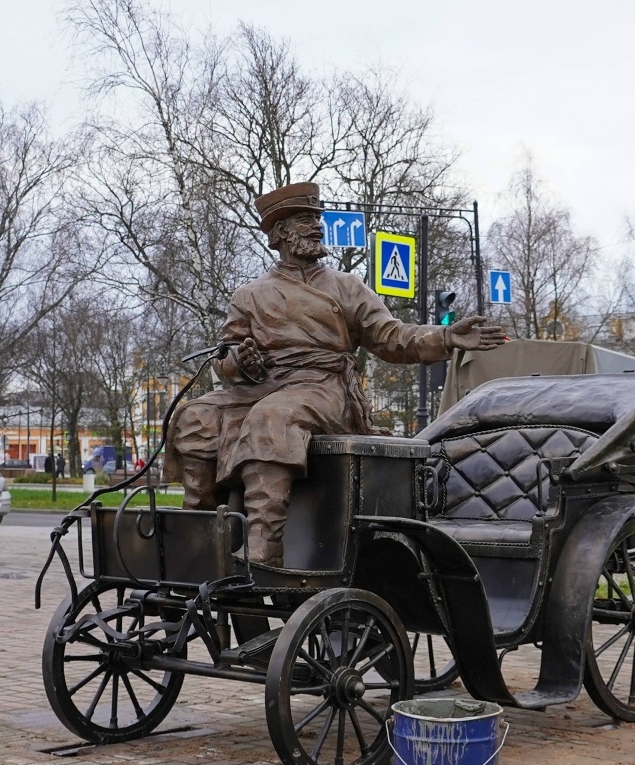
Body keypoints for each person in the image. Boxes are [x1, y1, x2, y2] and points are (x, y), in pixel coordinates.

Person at [163, 182, 505, 567]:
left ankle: (265, 549)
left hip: (324, 389)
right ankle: (199, 536)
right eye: (305, 220)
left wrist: (444, 336)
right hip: (263, 388)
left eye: (316, 219)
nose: (316, 227)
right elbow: (226, 361)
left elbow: (391, 337)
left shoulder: (346, 286)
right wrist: (241, 362)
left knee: (273, 418)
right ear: (279, 234)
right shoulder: (250, 295)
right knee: (195, 417)